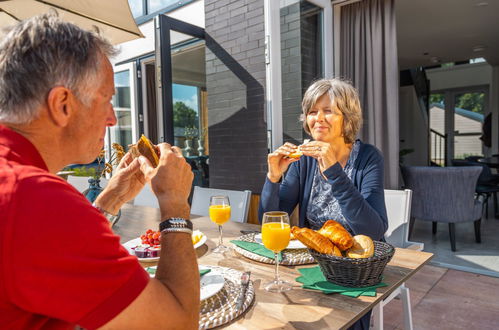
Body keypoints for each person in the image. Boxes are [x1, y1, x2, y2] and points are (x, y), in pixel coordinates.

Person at [0, 14, 199, 329]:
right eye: (106, 99)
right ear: (63, 104)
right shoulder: (36, 199)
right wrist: (174, 202)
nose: (112, 119)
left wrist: (111, 198)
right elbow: (177, 322)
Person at [259, 78, 388, 330]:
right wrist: (273, 177)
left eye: (328, 111)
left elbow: (374, 230)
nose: (318, 118)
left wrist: (335, 173)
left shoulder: (368, 158)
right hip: (314, 263)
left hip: (357, 267)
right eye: (312, 111)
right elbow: (273, 221)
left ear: (347, 118)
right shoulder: (304, 159)